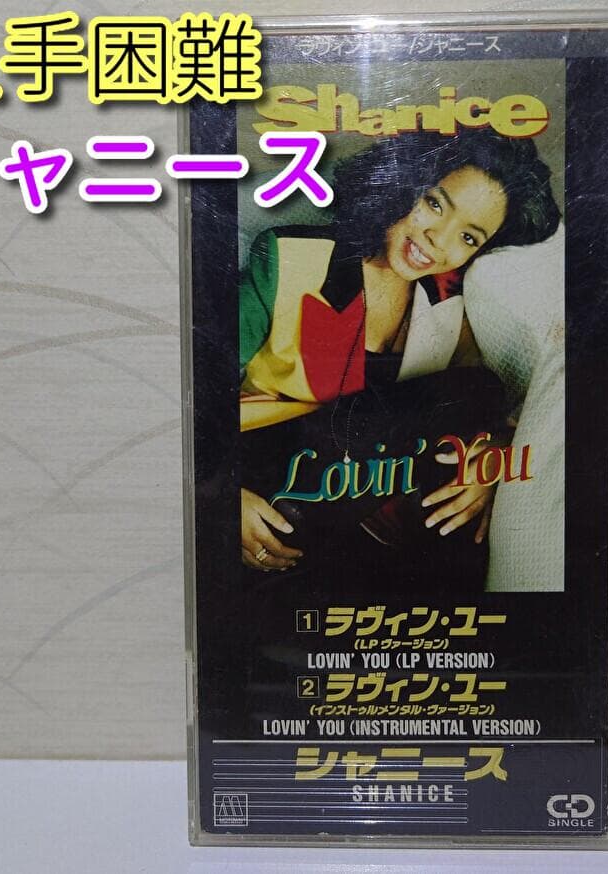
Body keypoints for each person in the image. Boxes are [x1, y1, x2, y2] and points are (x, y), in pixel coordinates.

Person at [238, 128, 560, 592]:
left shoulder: (452, 303)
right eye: (434, 204)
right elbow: (194, 387)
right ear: (404, 182)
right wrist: (225, 497)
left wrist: (492, 462)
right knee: (467, 391)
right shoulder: (289, 256)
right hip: (271, 483)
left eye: (468, 237)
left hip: (361, 522)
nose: (438, 239)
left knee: (475, 396)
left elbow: (480, 414)